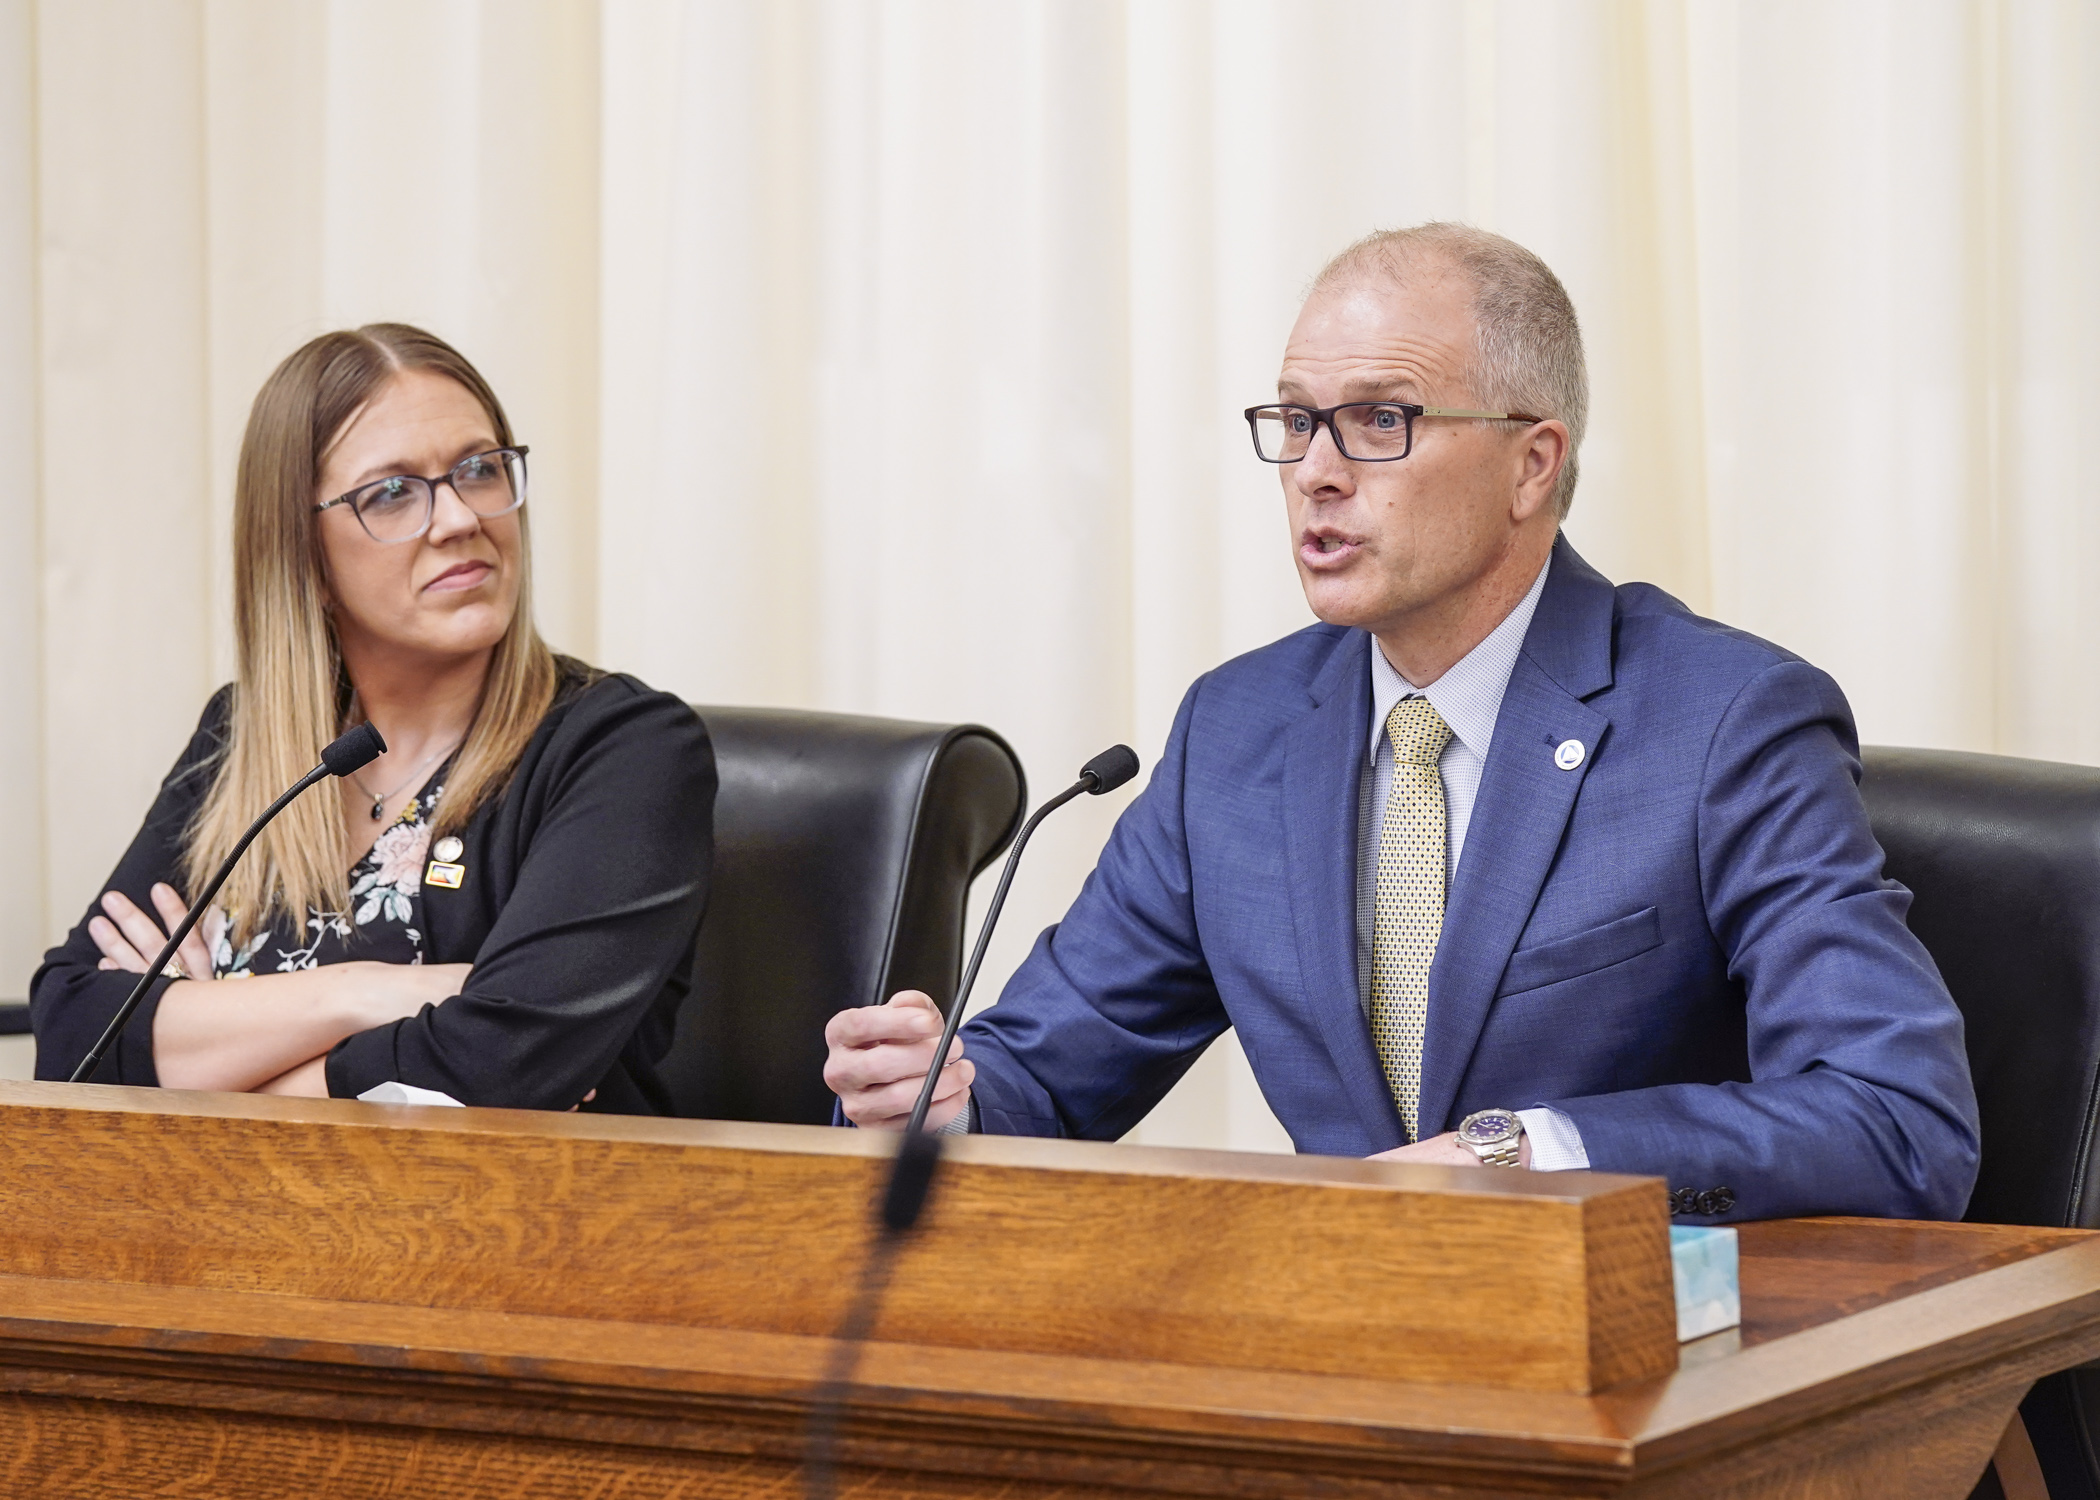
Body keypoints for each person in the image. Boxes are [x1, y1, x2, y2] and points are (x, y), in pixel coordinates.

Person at [825, 223, 1980, 1222]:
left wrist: (1525, 1157)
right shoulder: (1240, 731)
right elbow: (1051, 1077)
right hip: (1354, 1363)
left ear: (1533, 465)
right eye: (1296, 421)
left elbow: (1897, 1117)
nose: (1317, 473)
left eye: (1380, 419)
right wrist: (942, 1093)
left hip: (1645, 1371)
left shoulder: (1724, 722)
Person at [32, 324, 714, 1113]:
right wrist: (365, 994)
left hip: (517, 1226)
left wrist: (214, 1047)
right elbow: (75, 1037)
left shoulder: (624, 748)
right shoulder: (245, 740)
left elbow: (501, 1061)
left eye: (480, 469)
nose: (461, 518)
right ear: (306, 560)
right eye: (391, 492)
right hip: (236, 1228)